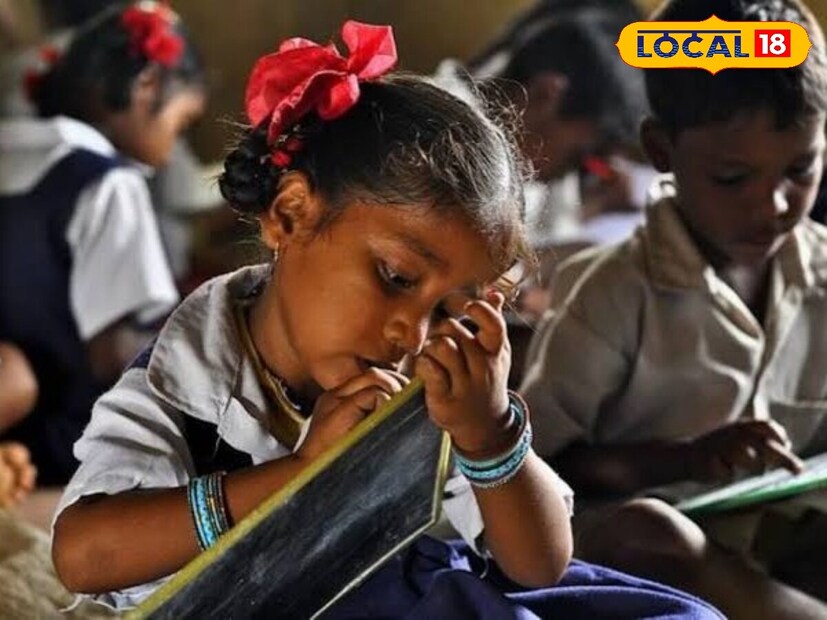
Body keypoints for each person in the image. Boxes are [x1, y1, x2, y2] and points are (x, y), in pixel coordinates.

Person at [50, 21, 723, 618]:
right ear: (289, 215)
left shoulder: (423, 387)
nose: (413, 333)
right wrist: (303, 474)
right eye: (396, 278)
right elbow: (85, 555)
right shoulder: (186, 379)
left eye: (450, 308)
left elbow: (539, 565)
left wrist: (488, 435)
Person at [521, 0, 827, 617]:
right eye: (733, 178)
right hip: (642, 555)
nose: (774, 205)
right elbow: (536, 467)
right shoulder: (610, 294)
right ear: (661, 149)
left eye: (800, 169)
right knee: (651, 533)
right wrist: (685, 458)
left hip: (776, 544)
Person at [0, 1, 206, 486]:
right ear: (147, 85)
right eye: (180, 125)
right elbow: (114, 357)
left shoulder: (11, 147)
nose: (171, 151)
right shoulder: (108, 183)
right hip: (62, 450)